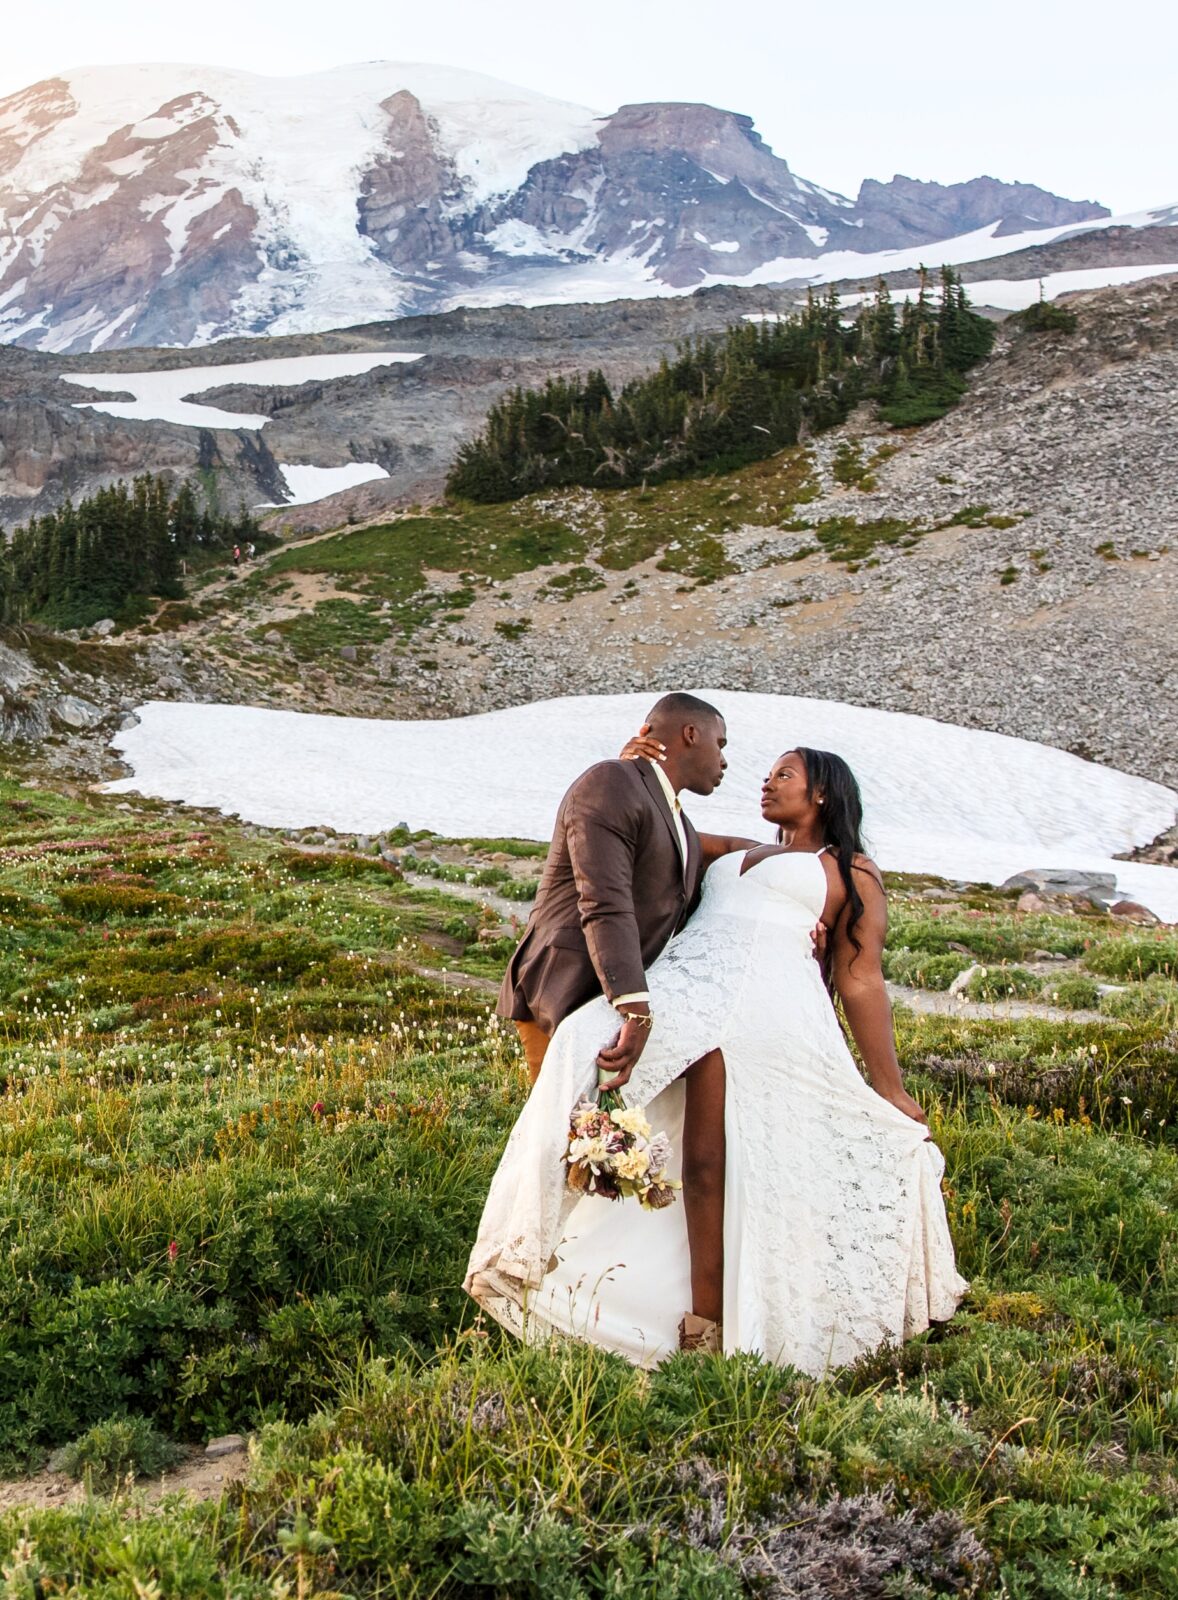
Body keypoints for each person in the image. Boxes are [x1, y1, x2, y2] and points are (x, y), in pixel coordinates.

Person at [466, 739, 966, 1372]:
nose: (766, 783)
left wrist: (888, 1085)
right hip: (689, 989)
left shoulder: (850, 870)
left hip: (768, 1007)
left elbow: (861, 978)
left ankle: (710, 1330)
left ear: (821, 792)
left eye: (783, 774)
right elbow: (651, 830)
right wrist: (634, 770)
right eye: (764, 773)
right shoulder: (729, 850)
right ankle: (530, 1249)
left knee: (710, 1163)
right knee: (581, 1048)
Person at [496, 692, 729, 1084]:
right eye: (720, 744)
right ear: (690, 733)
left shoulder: (679, 823)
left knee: (601, 1140)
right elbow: (603, 900)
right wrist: (634, 1006)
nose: (723, 760)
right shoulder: (612, 782)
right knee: (561, 1136)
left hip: (606, 1002)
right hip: (566, 991)